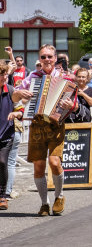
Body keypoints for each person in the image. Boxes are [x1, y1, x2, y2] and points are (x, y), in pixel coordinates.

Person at [17, 44, 79, 216]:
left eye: (49, 57)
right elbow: (18, 96)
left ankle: (59, 196)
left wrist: (70, 106)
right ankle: (44, 203)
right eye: (43, 57)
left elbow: (75, 103)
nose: (46, 60)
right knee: (38, 166)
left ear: (55, 58)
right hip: (37, 124)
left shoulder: (66, 78)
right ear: (40, 59)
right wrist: (22, 95)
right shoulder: (33, 77)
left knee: (54, 162)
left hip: (55, 124)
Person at [0, 60, 31, 210]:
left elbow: (21, 110)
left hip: (6, 135)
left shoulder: (11, 90)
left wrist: (16, 113)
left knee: (2, 162)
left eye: (6, 73)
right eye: (1, 74)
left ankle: (2, 196)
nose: (4, 77)